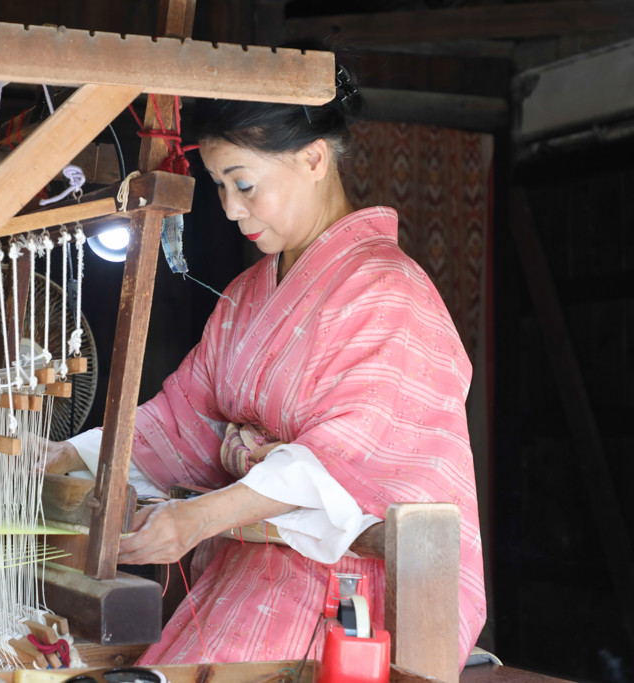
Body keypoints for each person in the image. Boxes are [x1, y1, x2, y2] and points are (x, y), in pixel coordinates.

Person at [45, 70, 487, 669]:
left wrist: (198, 517)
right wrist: (64, 457)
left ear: (312, 159)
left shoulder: (390, 292)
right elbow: (183, 420)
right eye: (220, 187)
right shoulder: (249, 293)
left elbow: (341, 459)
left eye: (244, 184)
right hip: (250, 569)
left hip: (353, 594)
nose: (229, 209)